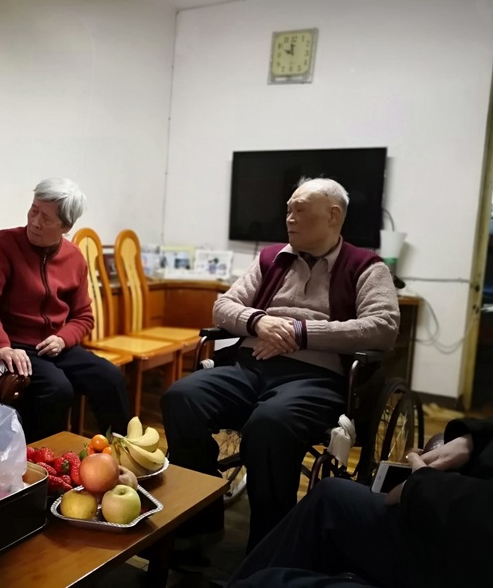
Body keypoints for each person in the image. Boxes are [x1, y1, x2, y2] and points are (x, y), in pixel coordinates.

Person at [161, 177, 400, 550]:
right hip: (248, 366)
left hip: (316, 377)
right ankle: (200, 523)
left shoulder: (367, 267)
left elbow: (382, 327)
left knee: (270, 425)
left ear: (333, 215)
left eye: (300, 210)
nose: (289, 218)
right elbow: (223, 307)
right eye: (288, 209)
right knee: (181, 398)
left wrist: (300, 333)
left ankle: (268, 546)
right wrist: (260, 322)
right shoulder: (271, 258)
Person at [228, 417, 493, 588]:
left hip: (469, 551)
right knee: (330, 495)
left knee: (270, 582)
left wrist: (427, 488)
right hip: (463, 515)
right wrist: (474, 440)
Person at [0, 178, 129, 442]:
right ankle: (40, 458)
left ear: (66, 226)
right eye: (33, 210)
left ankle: (122, 451)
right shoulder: (6, 242)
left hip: (54, 346)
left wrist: (63, 339)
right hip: (15, 345)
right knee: (57, 388)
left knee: (110, 377)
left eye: (46, 218)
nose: (34, 222)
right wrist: (1, 346)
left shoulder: (74, 257)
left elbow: (84, 316)